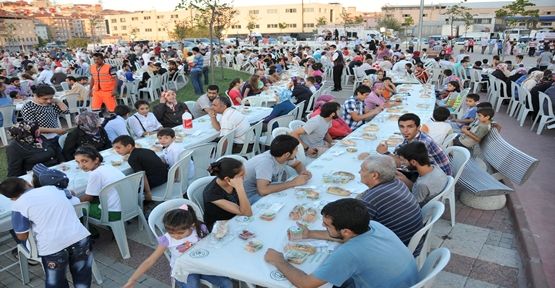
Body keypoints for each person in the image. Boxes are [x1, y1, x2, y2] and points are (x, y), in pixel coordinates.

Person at [264, 198, 418, 288]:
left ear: (346, 231)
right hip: (410, 281)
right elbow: (342, 237)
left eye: (326, 225)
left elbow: (306, 283)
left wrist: (279, 260)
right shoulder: (373, 226)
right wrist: (310, 234)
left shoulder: (349, 253)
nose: (323, 226)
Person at [0, 177, 92, 288]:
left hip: (53, 247)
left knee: (56, 282)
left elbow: (22, 236)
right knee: (82, 274)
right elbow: (70, 193)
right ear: (27, 183)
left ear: (12, 198)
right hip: (80, 237)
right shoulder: (51, 188)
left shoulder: (18, 205)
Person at [124, 205, 233, 288]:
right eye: (171, 232)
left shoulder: (200, 228)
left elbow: (210, 245)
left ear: (192, 226)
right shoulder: (167, 239)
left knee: (226, 283)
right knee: (192, 285)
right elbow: (150, 260)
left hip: (203, 265)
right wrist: (133, 279)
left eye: (180, 233)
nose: (175, 236)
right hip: (183, 269)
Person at [377, 113, 453, 176]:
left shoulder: (422, 143)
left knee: (385, 175)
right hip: (430, 171)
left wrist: (385, 153)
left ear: (418, 127)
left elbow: (403, 165)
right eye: (402, 127)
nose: (405, 131)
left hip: (437, 178)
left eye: (410, 127)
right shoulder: (414, 136)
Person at [243, 135, 311, 203]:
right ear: (287, 154)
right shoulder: (266, 162)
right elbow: (263, 191)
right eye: (296, 149)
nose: (297, 151)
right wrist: (293, 182)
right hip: (251, 196)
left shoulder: (281, 154)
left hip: (267, 188)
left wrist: (303, 172)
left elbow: (297, 164)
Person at [75, 146, 124, 221]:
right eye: (78, 162)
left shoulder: (95, 174)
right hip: (128, 205)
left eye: (84, 161)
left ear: (96, 160)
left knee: (77, 207)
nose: (81, 166)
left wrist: (74, 200)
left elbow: (88, 198)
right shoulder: (108, 166)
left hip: (113, 213)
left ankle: (95, 232)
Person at [112, 135, 168, 201]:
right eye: (115, 149)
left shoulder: (132, 159)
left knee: (128, 187)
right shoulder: (146, 150)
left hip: (157, 181)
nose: (116, 151)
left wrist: (148, 192)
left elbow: (142, 175)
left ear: (129, 146)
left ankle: (139, 204)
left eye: (118, 148)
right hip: (166, 176)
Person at [203, 157, 253, 231]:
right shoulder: (212, 194)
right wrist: (240, 187)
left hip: (236, 218)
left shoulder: (232, 183)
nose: (244, 176)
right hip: (220, 229)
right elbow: (247, 213)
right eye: (241, 175)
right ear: (227, 179)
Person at [396, 142, 449, 206]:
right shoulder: (435, 168)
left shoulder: (422, 184)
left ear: (413, 162)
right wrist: (405, 180)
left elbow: (414, 204)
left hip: (425, 209)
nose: (402, 163)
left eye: (403, 160)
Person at [21, 84, 67, 158]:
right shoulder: (28, 107)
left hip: (55, 135)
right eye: (45, 99)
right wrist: (55, 130)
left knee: (62, 157)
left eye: (51, 98)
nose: (48, 101)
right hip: (41, 139)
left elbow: (65, 111)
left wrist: (57, 101)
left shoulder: (51, 103)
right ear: (36, 96)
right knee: (52, 158)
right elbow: (33, 128)